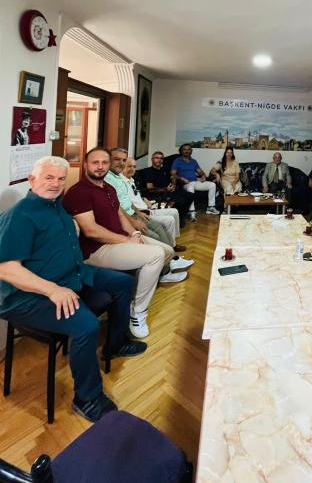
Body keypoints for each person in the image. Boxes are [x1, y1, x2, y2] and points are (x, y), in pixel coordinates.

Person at [0, 156, 146, 423]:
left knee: (123, 282)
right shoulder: (20, 216)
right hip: (28, 296)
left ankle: (116, 344)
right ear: (32, 180)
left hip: (71, 276)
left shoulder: (56, 206)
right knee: (86, 326)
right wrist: (52, 290)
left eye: (60, 179)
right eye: (48, 178)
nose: (55, 184)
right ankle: (87, 398)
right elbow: (7, 269)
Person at [63, 148, 189, 340]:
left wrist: (134, 233)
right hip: (96, 250)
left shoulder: (108, 188)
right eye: (95, 162)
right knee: (155, 255)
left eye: (104, 163)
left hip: (120, 240)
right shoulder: (78, 192)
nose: (100, 167)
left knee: (167, 251)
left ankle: (134, 294)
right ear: (86, 165)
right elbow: (91, 231)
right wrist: (127, 240)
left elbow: (120, 215)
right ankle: (137, 312)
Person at [105, 147, 173, 246]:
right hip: (126, 218)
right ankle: (167, 254)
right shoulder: (107, 179)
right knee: (156, 237)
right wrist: (133, 221)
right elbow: (116, 206)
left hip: (135, 213)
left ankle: (171, 253)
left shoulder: (119, 177)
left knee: (159, 226)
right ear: (108, 160)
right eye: (117, 159)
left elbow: (128, 200)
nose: (121, 163)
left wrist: (138, 212)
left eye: (124, 160)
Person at [123, 156, 181, 246]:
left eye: (134, 167)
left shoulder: (131, 180)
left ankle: (173, 241)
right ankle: (171, 245)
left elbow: (135, 194)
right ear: (122, 166)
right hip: (143, 212)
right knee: (170, 220)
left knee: (175, 211)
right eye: (129, 166)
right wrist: (139, 211)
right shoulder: (121, 183)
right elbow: (126, 202)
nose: (132, 169)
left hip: (147, 206)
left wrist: (143, 198)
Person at [138, 150, 194, 231]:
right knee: (180, 200)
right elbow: (150, 189)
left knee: (190, 195)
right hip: (158, 194)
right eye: (157, 158)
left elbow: (171, 180)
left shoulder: (164, 171)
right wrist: (165, 189)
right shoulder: (147, 171)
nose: (159, 160)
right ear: (152, 159)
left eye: (161, 158)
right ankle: (179, 219)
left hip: (169, 191)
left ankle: (181, 215)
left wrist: (173, 184)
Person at [170, 144, 220, 220]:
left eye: (189, 149)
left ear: (191, 151)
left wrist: (203, 176)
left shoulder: (193, 161)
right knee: (190, 187)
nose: (187, 151)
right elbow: (173, 174)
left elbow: (201, 172)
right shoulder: (177, 161)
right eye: (184, 149)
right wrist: (181, 178)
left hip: (195, 182)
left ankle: (210, 207)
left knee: (212, 185)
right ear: (181, 151)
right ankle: (191, 211)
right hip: (186, 184)